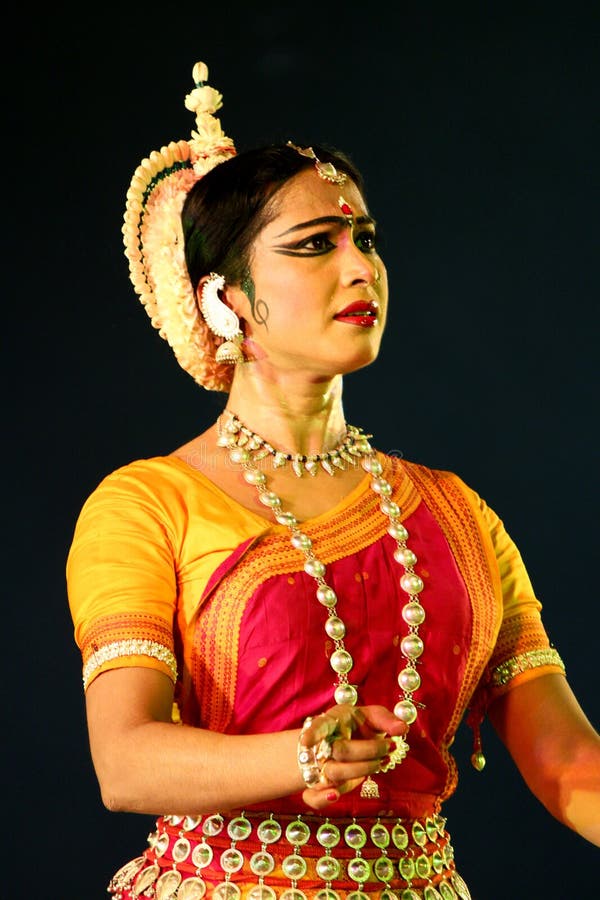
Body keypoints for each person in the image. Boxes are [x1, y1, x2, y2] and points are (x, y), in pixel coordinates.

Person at [66, 59, 600, 900]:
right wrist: (299, 754)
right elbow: (124, 762)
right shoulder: (149, 504)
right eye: (315, 246)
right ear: (224, 302)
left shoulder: (457, 513)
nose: (360, 268)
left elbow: (568, 760)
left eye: (366, 241)